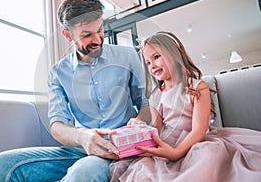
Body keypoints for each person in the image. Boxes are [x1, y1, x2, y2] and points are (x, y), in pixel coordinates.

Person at [0, 0, 150, 182]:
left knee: (84, 171)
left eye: (100, 29)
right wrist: (83, 138)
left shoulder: (127, 56)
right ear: (67, 35)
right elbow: (57, 126)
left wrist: (138, 124)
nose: (97, 39)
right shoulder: (57, 73)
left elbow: (145, 104)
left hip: (116, 147)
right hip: (78, 148)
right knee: (0, 165)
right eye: (87, 35)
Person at [109, 32, 261, 181]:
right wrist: (141, 129)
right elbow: (156, 129)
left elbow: (198, 131)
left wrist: (175, 153)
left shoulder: (197, 87)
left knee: (207, 159)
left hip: (196, 144)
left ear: (174, 56)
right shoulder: (156, 96)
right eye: (148, 62)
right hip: (167, 145)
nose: (152, 65)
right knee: (143, 171)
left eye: (156, 57)